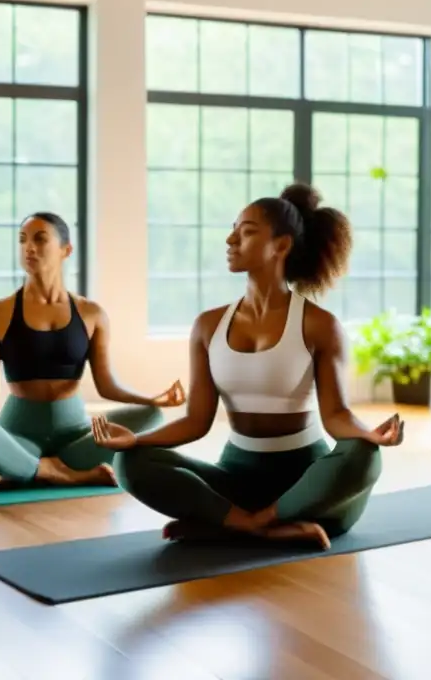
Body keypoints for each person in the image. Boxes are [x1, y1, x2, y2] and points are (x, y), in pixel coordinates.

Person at [92, 183, 404, 550]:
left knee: (363, 457)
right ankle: (256, 525)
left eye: (246, 232)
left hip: (306, 489)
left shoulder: (319, 325)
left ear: (281, 245)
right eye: (233, 230)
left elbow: (336, 415)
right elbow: (196, 421)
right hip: (236, 479)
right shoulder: (208, 326)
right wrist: (136, 440)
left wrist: (370, 435)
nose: (230, 240)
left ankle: (236, 524)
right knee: (130, 462)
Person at [0, 211, 186, 489]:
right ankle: (57, 472)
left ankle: (21, 469)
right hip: (18, 436)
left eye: (40, 239)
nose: (28, 247)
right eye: (22, 240)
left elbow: (108, 386)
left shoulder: (92, 313)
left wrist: (154, 398)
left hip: (76, 437)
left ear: (65, 250)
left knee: (152, 415)